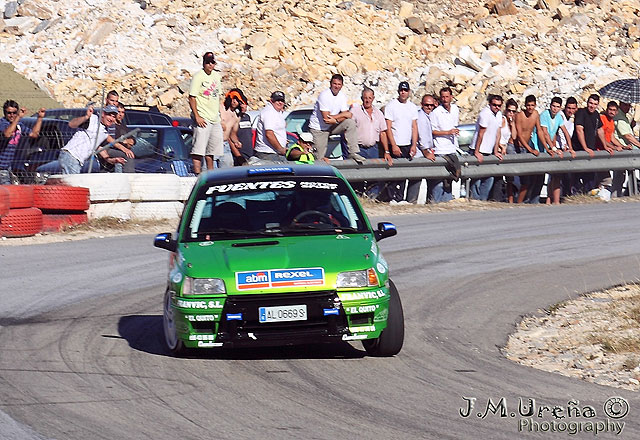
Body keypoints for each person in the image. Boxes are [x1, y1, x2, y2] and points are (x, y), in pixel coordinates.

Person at [308, 74, 364, 163]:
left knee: (350, 122)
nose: (336, 86)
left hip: (333, 125)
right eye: (335, 84)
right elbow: (326, 119)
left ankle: (353, 152)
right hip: (319, 129)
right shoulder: (324, 95)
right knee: (319, 158)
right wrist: (340, 117)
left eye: (339, 84)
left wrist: (336, 119)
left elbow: (347, 115)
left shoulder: (342, 96)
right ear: (330, 84)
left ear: (342, 85)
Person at [57, 105, 125, 174]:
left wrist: (111, 160)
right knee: (72, 183)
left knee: (69, 183)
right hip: (71, 156)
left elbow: (98, 147)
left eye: (114, 117)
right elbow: (71, 124)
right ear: (103, 114)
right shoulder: (93, 119)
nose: (111, 118)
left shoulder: (104, 132)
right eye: (109, 115)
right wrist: (86, 117)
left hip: (76, 160)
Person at [381, 81, 419, 204]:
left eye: (405, 90)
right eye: (401, 90)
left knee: (404, 173)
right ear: (398, 91)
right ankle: (392, 197)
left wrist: (414, 144)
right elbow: (388, 127)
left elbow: (414, 126)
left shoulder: (412, 107)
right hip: (396, 144)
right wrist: (394, 145)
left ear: (409, 92)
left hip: (407, 144)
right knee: (393, 173)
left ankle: (400, 197)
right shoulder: (391, 106)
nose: (403, 92)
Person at [349, 86, 390, 197]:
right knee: (358, 176)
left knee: (374, 175)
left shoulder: (378, 113)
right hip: (359, 148)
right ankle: (358, 198)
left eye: (370, 98)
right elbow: (348, 129)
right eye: (365, 98)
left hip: (373, 149)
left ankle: (371, 198)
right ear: (362, 98)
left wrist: (386, 151)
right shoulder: (355, 111)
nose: (367, 100)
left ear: (373, 98)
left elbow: (383, 133)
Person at [188, 51, 224, 174]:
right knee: (198, 149)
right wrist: (197, 116)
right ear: (203, 63)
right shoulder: (198, 77)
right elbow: (192, 97)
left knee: (212, 150)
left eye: (212, 62)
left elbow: (218, 97)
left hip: (215, 118)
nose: (210, 65)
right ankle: (197, 173)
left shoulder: (216, 77)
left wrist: (221, 116)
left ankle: (211, 173)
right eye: (207, 62)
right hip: (203, 117)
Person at [514, 95, 550, 203]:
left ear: (535, 106)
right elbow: (519, 135)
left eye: (532, 105)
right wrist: (530, 149)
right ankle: (518, 203)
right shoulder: (519, 116)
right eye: (528, 105)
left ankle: (527, 200)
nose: (530, 108)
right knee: (523, 179)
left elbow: (539, 131)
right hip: (518, 147)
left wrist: (547, 147)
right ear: (525, 106)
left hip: (528, 146)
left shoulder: (535, 115)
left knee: (531, 177)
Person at [539, 97, 574, 204]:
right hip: (541, 146)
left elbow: (565, 132)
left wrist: (570, 148)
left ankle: (554, 201)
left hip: (551, 147)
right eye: (553, 106)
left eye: (557, 107)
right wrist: (553, 148)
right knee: (541, 177)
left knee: (555, 175)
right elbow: (545, 133)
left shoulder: (559, 117)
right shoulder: (545, 115)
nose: (555, 109)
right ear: (550, 106)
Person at [0, 100, 45, 184]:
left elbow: (34, 134)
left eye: (14, 113)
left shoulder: (19, 126)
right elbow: (7, 134)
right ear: (4, 113)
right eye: (9, 113)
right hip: (1, 167)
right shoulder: (2, 123)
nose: (12, 115)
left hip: (7, 166)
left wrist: (40, 118)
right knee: (8, 191)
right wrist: (18, 118)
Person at [469, 94, 503, 200]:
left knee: (489, 178)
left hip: (489, 151)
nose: (496, 107)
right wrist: (477, 151)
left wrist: (496, 151)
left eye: (499, 105)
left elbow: (498, 133)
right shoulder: (485, 114)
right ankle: (474, 200)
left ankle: (482, 200)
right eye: (494, 105)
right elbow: (481, 134)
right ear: (490, 104)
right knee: (477, 179)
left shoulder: (498, 114)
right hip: (479, 150)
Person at [571, 94, 608, 192]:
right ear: (587, 102)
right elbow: (579, 130)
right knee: (576, 175)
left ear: (597, 105)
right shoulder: (581, 113)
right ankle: (575, 195)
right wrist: (585, 147)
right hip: (579, 150)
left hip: (591, 149)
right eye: (590, 103)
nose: (592, 106)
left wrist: (605, 146)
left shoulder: (596, 114)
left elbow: (600, 130)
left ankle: (588, 194)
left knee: (590, 176)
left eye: (595, 104)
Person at [430, 87, 461, 203]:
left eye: (447, 97)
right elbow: (432, 131)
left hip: (452, 148)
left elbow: (455, 126)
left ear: (451, 97)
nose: (445, 99)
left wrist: (454, 133)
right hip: (440, 149)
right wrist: (447, 132)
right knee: (439, 180)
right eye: (442, 97)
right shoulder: (436, 113)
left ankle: (447, 200)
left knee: (451, 178)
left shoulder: (455, 109)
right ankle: (436, 201)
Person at [612, 101, 640, 196]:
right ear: (620, 104)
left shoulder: (623, 116)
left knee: (621, 176)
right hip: (623, 150)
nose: (627, 107)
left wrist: (631, 125)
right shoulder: (620, 117)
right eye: (625, 105)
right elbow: (627, 136)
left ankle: (617, 196)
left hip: (626, 150)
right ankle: (616, 196)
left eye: (629, 105)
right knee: (619, 176)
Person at [102, 102, 136, 173]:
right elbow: (112, 140)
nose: (120, 114)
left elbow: (133, 140)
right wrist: (124, 142)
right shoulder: (111, 125)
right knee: (127, 156)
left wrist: (128, 141)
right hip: (108, 148)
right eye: (119, 112)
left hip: (119, 149)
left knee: (128, 154)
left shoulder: (123, 126)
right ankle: (129, 177)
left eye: (123, 112)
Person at [254, 91, 287, 162]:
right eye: (277, 100)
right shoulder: (269, 112)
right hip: (268, 153)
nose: (280, 103)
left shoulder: (277, 112)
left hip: (275, 153)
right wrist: (280, 149)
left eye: (282, 101)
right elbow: (269, 134)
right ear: (271, 101)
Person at [556, 97, 579, 196]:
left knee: (567, 175)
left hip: (566, 148)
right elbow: (560, 132)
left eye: (573, 108)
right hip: (559, 148)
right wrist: (565, 146)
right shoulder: (560, 116)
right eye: (569, 108)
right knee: (558, 176)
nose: (570, 110)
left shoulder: (572, 118)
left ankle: (565, 195)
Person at [501, 98, 519, 203]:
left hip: (506, 148)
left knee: (510, 176)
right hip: (500, 148)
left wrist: (512, 125)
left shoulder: (510, 122)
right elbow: (496, 135)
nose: (511, 113)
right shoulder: (502, 119)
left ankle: (511, 199)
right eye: (509, 110)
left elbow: (514, 136)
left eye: (513, 111)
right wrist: (501, 146)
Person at [228, 90, 253, 166]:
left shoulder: (247, 117)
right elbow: (229, 138)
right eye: (240, 103)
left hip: (250, 155)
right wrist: (238, 156)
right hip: (238, 157)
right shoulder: (233, 117)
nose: (242, 106)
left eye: (244, 104)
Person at [220, 89, 244, 167]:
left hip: (225, 145)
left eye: (237, 100)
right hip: (214, 143)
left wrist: (236, 142)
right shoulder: (220, 108)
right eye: (233, 98)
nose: (234, 101)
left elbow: (233, 134)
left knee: (226, 172)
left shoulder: (236, 116)